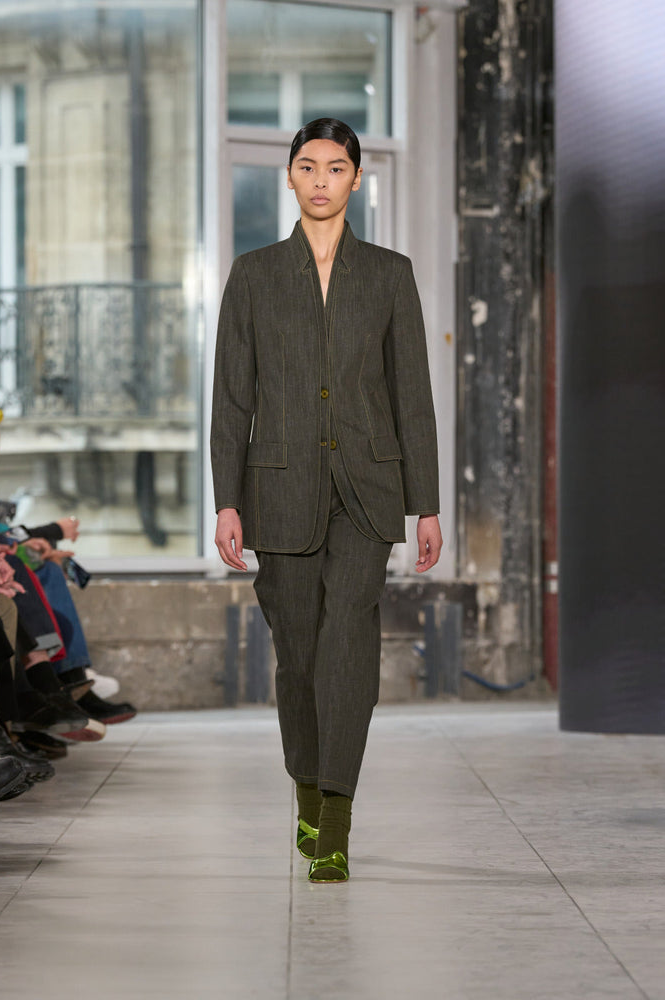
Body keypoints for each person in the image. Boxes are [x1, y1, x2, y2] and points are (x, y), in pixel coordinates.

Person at [211, 118, 442, 883]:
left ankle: (335, 821)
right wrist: (226, 500)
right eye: (307, 166)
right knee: (300, 657)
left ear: (356, 179)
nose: (320, 180)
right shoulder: (253, 274)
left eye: (335, 167)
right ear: (289, 176)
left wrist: (427, 503)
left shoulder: (389, 274)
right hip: (279, 489)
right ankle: (307, 789)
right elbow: (231, 399)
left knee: (348, 645)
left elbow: (413, 396)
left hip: (368, 490)